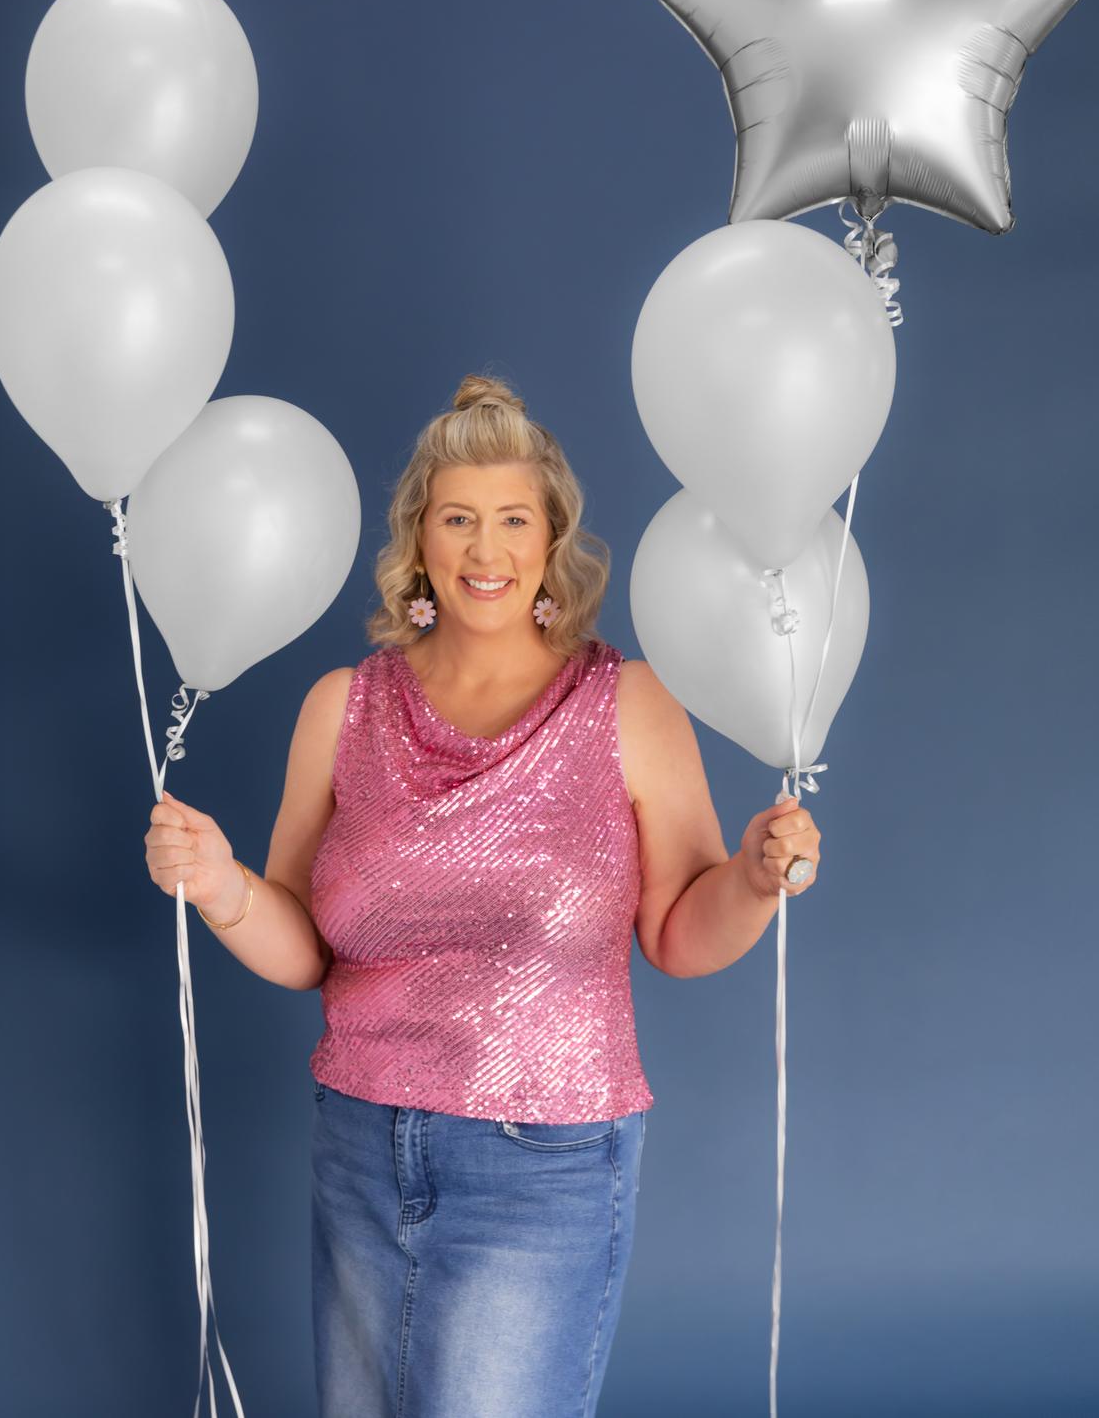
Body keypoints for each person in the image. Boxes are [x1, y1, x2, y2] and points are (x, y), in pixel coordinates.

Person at [144, 372, 822, 1418]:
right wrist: (219, 883)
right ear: (419, 540)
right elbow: (306, 948)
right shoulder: (341, 708)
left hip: (541, 1162)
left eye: (513, 519)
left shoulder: (628, 702)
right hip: (359, 1144)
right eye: (457, 518)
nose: (484, 548)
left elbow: (679, 935)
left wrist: (753, 876)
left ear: (551, 541)